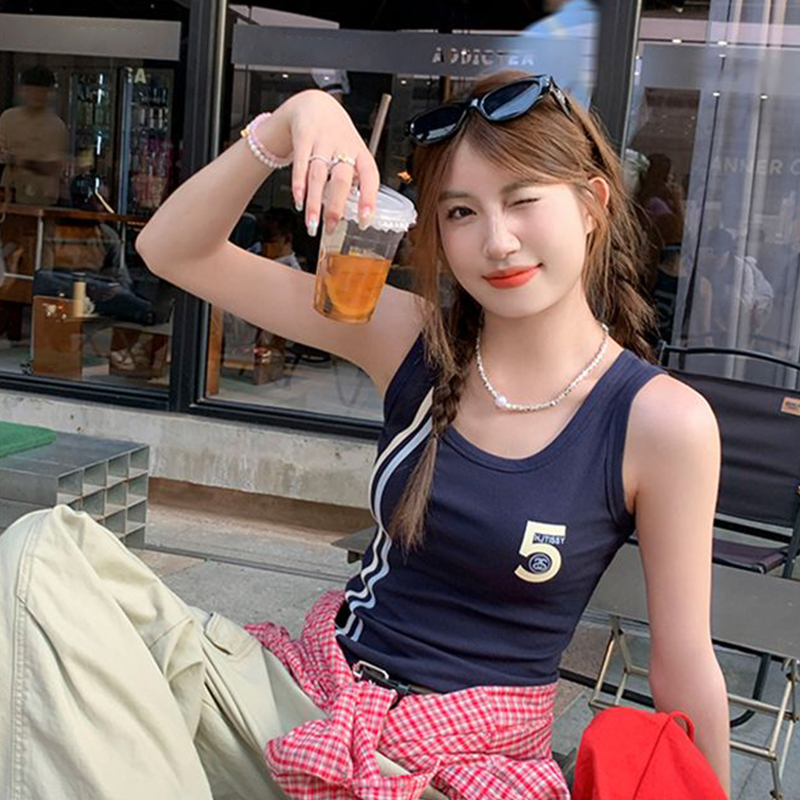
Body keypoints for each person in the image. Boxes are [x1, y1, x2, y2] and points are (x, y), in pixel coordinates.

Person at [0, 72, 730, 799]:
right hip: (312, 703)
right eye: (462, 212)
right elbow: (172, 250)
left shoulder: (658, 421)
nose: (498, 241)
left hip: (464, 769)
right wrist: (291, 121)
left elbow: (684, 662)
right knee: (41, 554)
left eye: (523, 201)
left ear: (593, 205)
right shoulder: (411, 338)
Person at [0, 65, 68, 206]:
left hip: (43, 200)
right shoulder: (7, 118)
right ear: (22, 90)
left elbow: (54, 166)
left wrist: (21, 161)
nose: (37, 95)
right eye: (32, 90)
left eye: (42, 91)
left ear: (50, 93)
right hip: (10, 197)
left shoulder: (56, 126)